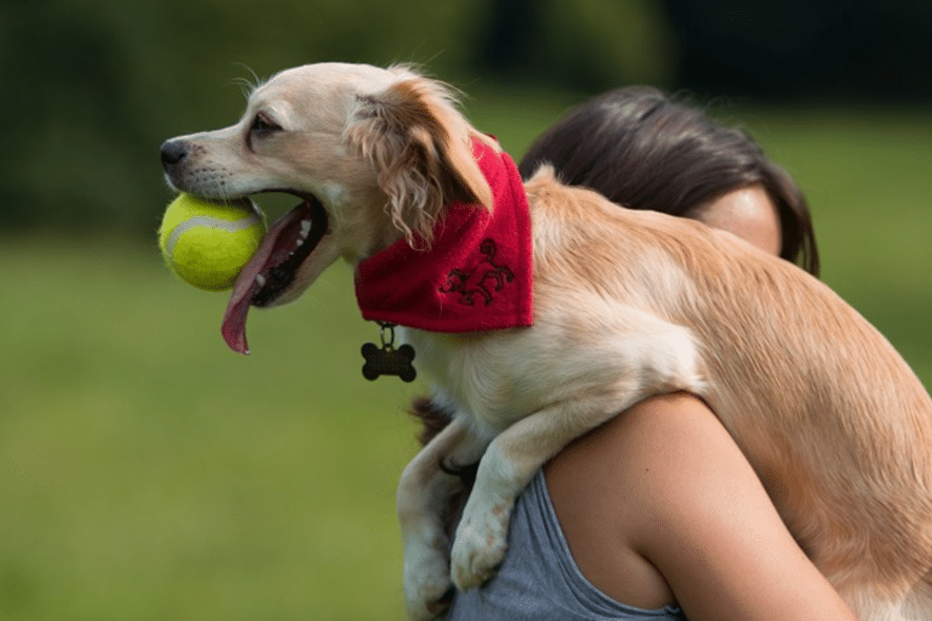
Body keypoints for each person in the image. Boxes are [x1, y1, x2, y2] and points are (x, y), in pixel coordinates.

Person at [409, 86, 856, 620]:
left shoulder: (461, 478)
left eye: (769, 288)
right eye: (711, 277)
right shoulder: (656, 435)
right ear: (579, 247)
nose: (754, 332)